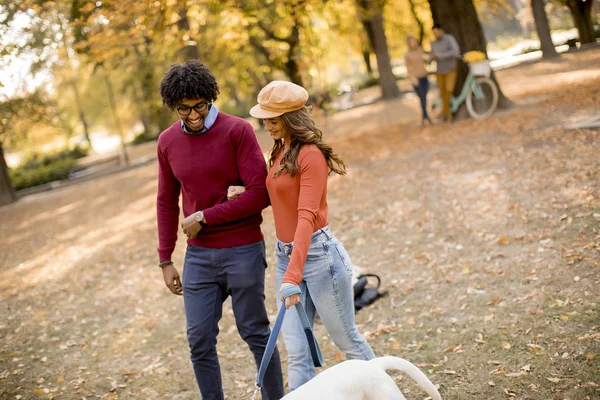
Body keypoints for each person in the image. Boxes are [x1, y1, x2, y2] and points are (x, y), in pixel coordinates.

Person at [155, 60, 284, 400]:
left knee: (255, 333)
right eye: (184, 110)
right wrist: (165, 259)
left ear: (210, 98)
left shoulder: (237, 130)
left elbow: (260, 194)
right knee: (198, 339)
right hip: (198, 257)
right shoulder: (167, 142)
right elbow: (166, 202)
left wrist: (205, 217)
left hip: (242, 250)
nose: (194, 115)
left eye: (199, 106)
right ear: (174, 107)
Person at [246, 80, 376, 391]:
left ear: (290, 118)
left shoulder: (310, 155)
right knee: (297, 352)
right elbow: (280, 197)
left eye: (273, 120)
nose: (267, 125)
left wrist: (292, 275)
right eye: (265, 118)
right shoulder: (280, 151)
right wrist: (244, 194)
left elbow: (307, 216)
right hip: (285, 256)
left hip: (320, 259)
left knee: (349, 343)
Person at [430, 24, 460, 122]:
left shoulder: (449, 39)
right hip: (439, 71)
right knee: (442, 94)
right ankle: (448, 114)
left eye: (436, 32)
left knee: (448, 90)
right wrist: (432, 57)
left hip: (450, 69)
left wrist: (441, 55)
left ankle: (445, 114)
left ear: (441, 30)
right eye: (434, 33)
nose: (435, 34)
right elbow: (431, 56)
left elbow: (456, 51)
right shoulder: (433, 43)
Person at [404, 35, 432, 126]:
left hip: (424, 76)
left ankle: (425, 116)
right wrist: (413, 79)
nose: (413, 43)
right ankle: (425, 117)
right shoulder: (407, 55)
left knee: (424, 96)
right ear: (408, 43)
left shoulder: (420, 50)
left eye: (414, 41)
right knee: (422, 96)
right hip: (416, 79)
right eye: (411, 41)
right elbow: (408, 68)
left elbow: (428, 58)